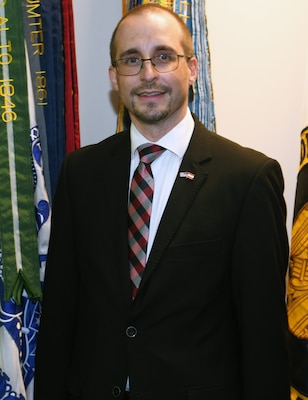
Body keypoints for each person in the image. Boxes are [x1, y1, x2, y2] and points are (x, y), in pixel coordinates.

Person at [34, 4, 290, 400]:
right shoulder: (81, 173)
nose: (148, 74)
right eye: (132, 60)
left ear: (192, 68)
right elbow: (60, 318)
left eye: (164, 56)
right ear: (114, 76)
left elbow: (264, 341)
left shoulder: (248, 179)